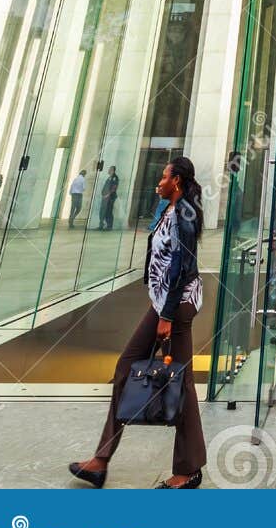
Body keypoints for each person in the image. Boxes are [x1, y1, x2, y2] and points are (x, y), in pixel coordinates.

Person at [69, 157, 207, 490]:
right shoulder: (171, 212)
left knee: (181, 382)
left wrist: (167, 315)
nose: (158, 181)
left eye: (163, 177)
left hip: (176, 308)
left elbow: (183, 267)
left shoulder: (184, 214)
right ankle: (101, 460)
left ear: (176, 181)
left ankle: (188, 470)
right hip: (163, 305)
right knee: (125, 367)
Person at [99, 166, 119, 231]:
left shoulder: (115, 178)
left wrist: (107, 195)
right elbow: (105, 186)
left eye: (110, 169)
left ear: (113, 170)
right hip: (105, 197)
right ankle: (101, 225)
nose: (108, 170)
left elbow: (114, 188)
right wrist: (102, 193)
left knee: (108, 211)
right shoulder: (109, 178)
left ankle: (109, 226)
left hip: (110, 198)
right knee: (102, 211)